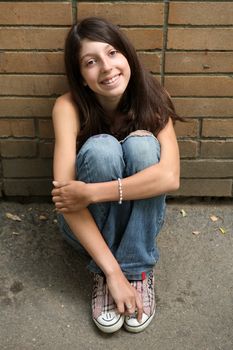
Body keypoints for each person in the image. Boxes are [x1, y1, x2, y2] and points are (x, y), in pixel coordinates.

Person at [51, 17, 182, 334]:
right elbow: (67, 201)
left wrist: (93, 192)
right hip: (83, 224)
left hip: (135, 217)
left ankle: (136, 270)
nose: (106, 68)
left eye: (112, 53)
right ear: (82, 76)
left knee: (141, 145)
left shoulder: (154, 97)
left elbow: (170, 178)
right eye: (91, 62)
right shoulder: (67, 107)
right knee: (102, 149)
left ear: (127, 56)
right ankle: (109, 271)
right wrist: (112, 272)